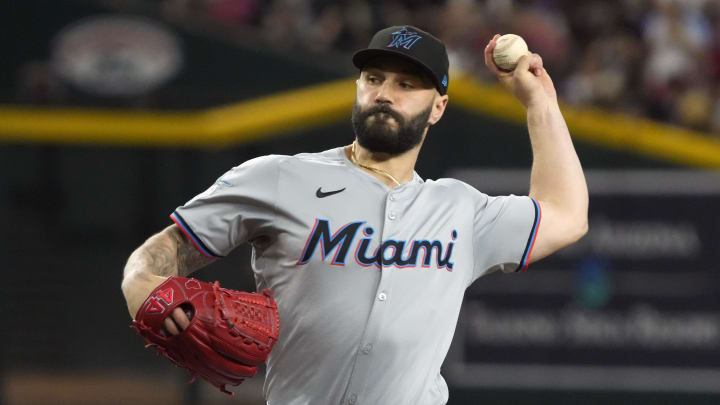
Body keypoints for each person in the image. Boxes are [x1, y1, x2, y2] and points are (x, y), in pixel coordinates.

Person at [121, 25, 588, 405]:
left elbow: (566, 215)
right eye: (374, 79)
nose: (385, 93)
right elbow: (170, 247)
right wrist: (142, 285)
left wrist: (538, 101)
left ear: (438, 108)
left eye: (406, 84)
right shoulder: (280, 177)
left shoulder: (461, 210)